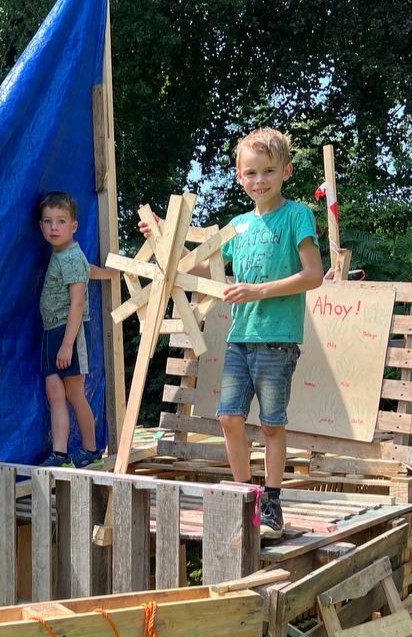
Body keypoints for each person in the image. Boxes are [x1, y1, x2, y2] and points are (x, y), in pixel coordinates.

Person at [139, 128, 324, 539]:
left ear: (286, 172)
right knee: (228, 417)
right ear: (240, 177)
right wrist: (161, 239)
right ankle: (248, 495)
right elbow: (193, 268)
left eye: (269, 172)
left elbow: (314, 275)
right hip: (241, 338)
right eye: (251, 173)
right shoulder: (238, 227)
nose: (260, 181)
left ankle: (272, 501)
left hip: (277, 338)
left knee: (273, 424)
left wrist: (258, 290)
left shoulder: (297, 216)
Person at [37, 192, 119, 468]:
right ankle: (59, 452)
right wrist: (114, 273)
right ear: (41, 226)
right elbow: (88, 271)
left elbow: (78, 302)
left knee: (74, 392)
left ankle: (91, 448)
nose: (53, 227)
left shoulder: (70, 256)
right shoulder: (66, 255)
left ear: (73, 227)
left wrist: (67, 344)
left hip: (69, 333)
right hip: (52, 331)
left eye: (61, 221)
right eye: (47, 221)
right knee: (54, 391)